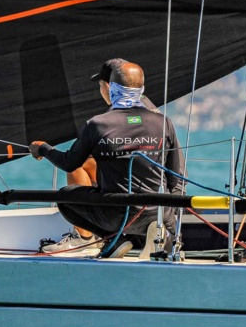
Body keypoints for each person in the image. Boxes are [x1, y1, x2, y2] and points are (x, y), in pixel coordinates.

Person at [30, 61, 184, 258]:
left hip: (116, 217)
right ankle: (161, 232)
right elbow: (176, 178)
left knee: (64, 197)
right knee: (153, 206)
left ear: (111, 88)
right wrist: (171, 220)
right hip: (158, 213)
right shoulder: (163, 123)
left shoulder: (98, 124)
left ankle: (113, 240)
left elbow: (69, 163)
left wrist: (43, 148)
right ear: (142, 89)